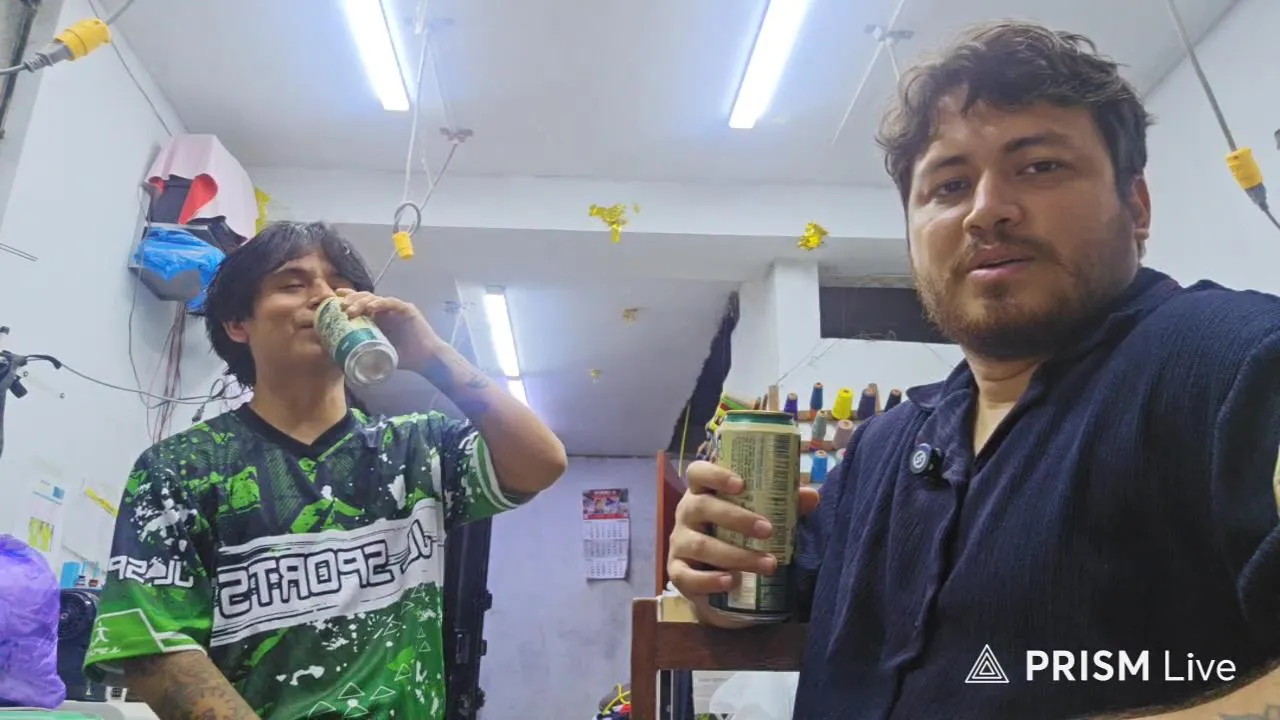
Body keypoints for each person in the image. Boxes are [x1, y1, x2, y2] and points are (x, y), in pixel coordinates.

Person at [668, 20, 1280, 720]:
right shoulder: (883, 448)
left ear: (1135, 206)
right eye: (949, 185)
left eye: (1039, 167)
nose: (986, 211)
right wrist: (714, 570)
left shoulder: (1242, 364)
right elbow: (763, 603)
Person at [83, 222, 568, 719]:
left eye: (340, 285)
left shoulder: (417, 447)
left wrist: (432, 357)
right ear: (237, 323)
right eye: (293, 284)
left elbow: (541, 462)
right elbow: (152, 649)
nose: (324, 297)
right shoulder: (182, 467)